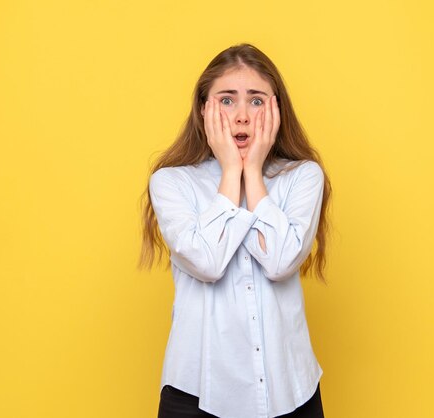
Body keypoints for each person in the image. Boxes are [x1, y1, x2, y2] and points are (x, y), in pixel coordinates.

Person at [139, 43, 332, 418]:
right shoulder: (171, 183)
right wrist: (232, 172)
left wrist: (253, 174)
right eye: (227, 100)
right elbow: (208, 263)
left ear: (277, 108)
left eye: (257, 101)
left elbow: (279, 261)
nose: (242, 115)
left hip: (290, 392)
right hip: (195, 396)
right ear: (203, 110)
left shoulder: (303, 176)